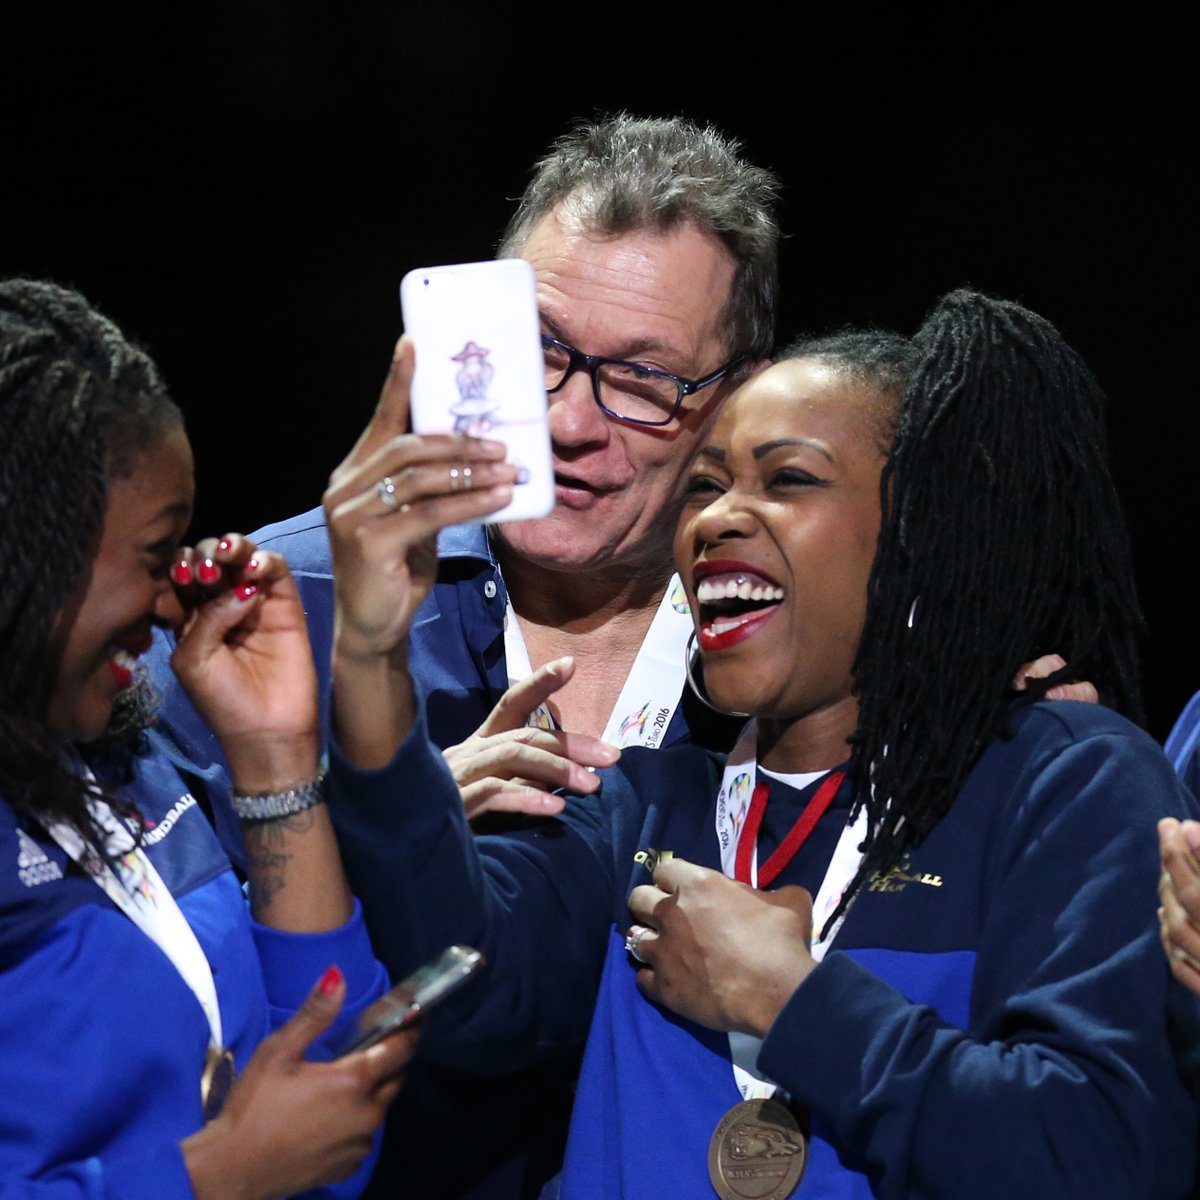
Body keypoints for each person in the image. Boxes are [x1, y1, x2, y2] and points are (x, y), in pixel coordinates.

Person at [323, 292, 1199, 1199]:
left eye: (787, 480)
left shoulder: (1063, 780)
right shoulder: (639, 805)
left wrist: (795, 1004)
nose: (717, 519)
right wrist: (371, 658)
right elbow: (447, 981)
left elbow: (1104, 1156)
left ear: (919, 533)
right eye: (705, 486)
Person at [0, 279, 415, 1199]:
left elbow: (323, 1113)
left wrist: (272, 750)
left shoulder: (118, 759)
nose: (164, 606)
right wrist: (218, 1177)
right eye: (156, 556)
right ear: (26, 549)